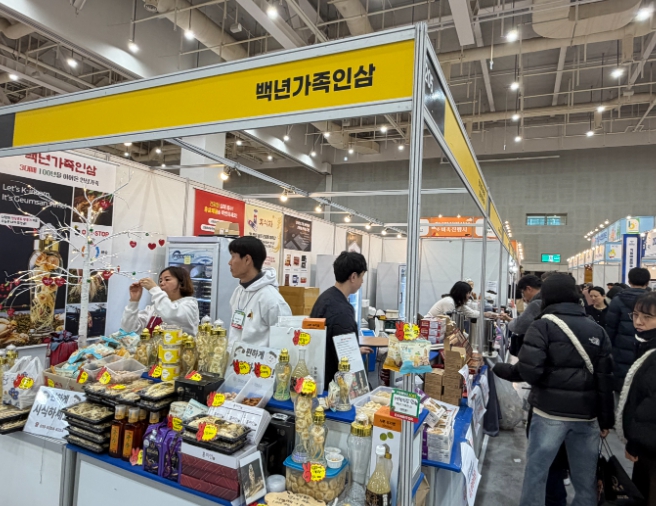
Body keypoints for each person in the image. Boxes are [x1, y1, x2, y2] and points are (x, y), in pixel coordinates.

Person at [496, 274, 614, 506]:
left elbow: (530, 371)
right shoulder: (596, 329)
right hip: (586, 415)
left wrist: (499, 368)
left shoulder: (542, 325)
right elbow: (604, 379)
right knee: (585, 481)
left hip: (549, 413)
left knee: (537, 474)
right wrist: (606, 420)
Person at [310, 251, 373, 384]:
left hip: (317, 376)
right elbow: (346, 358)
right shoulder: (343, 310)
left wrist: (355, 350)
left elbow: (332, 340)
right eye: (362, 277)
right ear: (353, 277)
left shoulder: (324, 298)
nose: (362, 281)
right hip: (334, 384)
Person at [617, 292, 656, 503]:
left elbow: (650, 409)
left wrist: (635, 442)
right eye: (635, 315)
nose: (639, 322)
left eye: (647, 317)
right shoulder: (646, 345)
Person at [227, 236, 291, 348]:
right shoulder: (238, 291)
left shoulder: (271, 299)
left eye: (233, 257)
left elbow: (285, 341)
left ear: (247, 260)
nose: (229, 262)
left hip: (259, 359)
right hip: (235, 357)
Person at [606, 267, 651, 392]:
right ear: (648, 282)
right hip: (647, 349)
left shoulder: (618, 300)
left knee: (621, 388)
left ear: (629, 281)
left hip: (621, 351)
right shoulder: (652, 301)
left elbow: (610, 327)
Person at [121, 266, 199, 335]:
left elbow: (171, 314)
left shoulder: (189, 305)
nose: (161, 283)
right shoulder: (153, 309)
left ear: (181, 284)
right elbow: (128, 330)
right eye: (160, 281)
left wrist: (154, 289)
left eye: (167, 279)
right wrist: (133, 302)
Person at [428, 281, 505, 320]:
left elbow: (472, 313)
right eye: (468, 293)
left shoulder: (457, 303)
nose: (469, 295)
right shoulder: (449, 302)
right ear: (462, 293)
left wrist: (490, 314)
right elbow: (450, 323)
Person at [508, 275, 542, 356]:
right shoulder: (547, 298)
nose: (523, 297)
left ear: (529, 289)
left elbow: (518, 326)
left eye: (523, 293)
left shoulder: (536, 303)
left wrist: (510, 323)